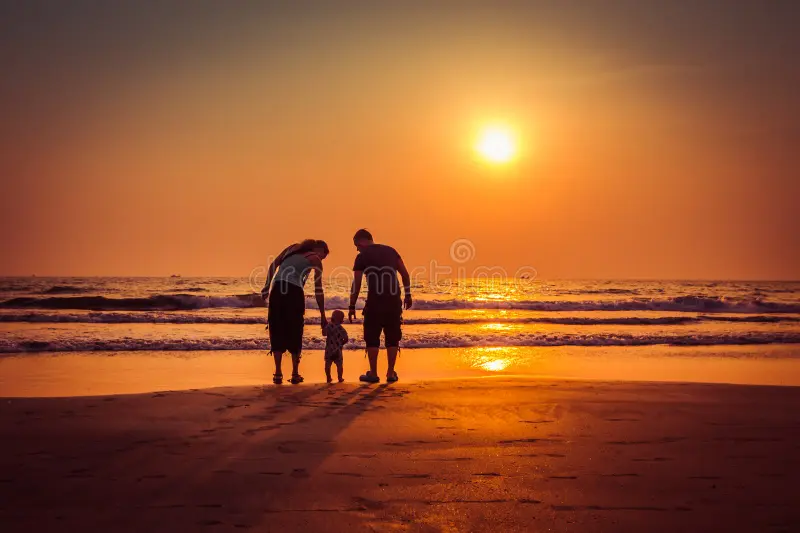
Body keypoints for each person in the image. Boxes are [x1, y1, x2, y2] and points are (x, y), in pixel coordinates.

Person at [348, 229, 412, 383]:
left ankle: (374, 373)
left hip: (375, 301)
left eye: (357, 245)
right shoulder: (391, 251)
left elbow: (356, 284)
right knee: (392, 336)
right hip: (393, 300)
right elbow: (405, 274)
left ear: (362, 241)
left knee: (372, 337)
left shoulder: (362, 256)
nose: (357, 248)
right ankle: (390, 373)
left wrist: (351, 305)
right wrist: (408, 295)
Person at [262, 239, 329, 385]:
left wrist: (267, 286)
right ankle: (295, 373)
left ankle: (278, 372)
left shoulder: (291, 248)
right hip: (294, 292)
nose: (323, 259)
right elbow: (318, 289)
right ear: (319, 249)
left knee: (276, 328)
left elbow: (274, 265)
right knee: (295, 329)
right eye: (324, 255)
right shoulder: (315, 259)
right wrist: (323, 314)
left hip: (277, 290)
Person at [322, 310, 348, 383]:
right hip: (337, 350)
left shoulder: (329, 326)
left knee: (328, 364)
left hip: (329, 349)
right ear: (341, 320)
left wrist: (323, 327)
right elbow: (346, 339)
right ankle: (340, 378)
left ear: (332, 318)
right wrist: (341, 344)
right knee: (339, 365)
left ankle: (328, 377)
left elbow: (324, 334)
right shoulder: (342, 329)